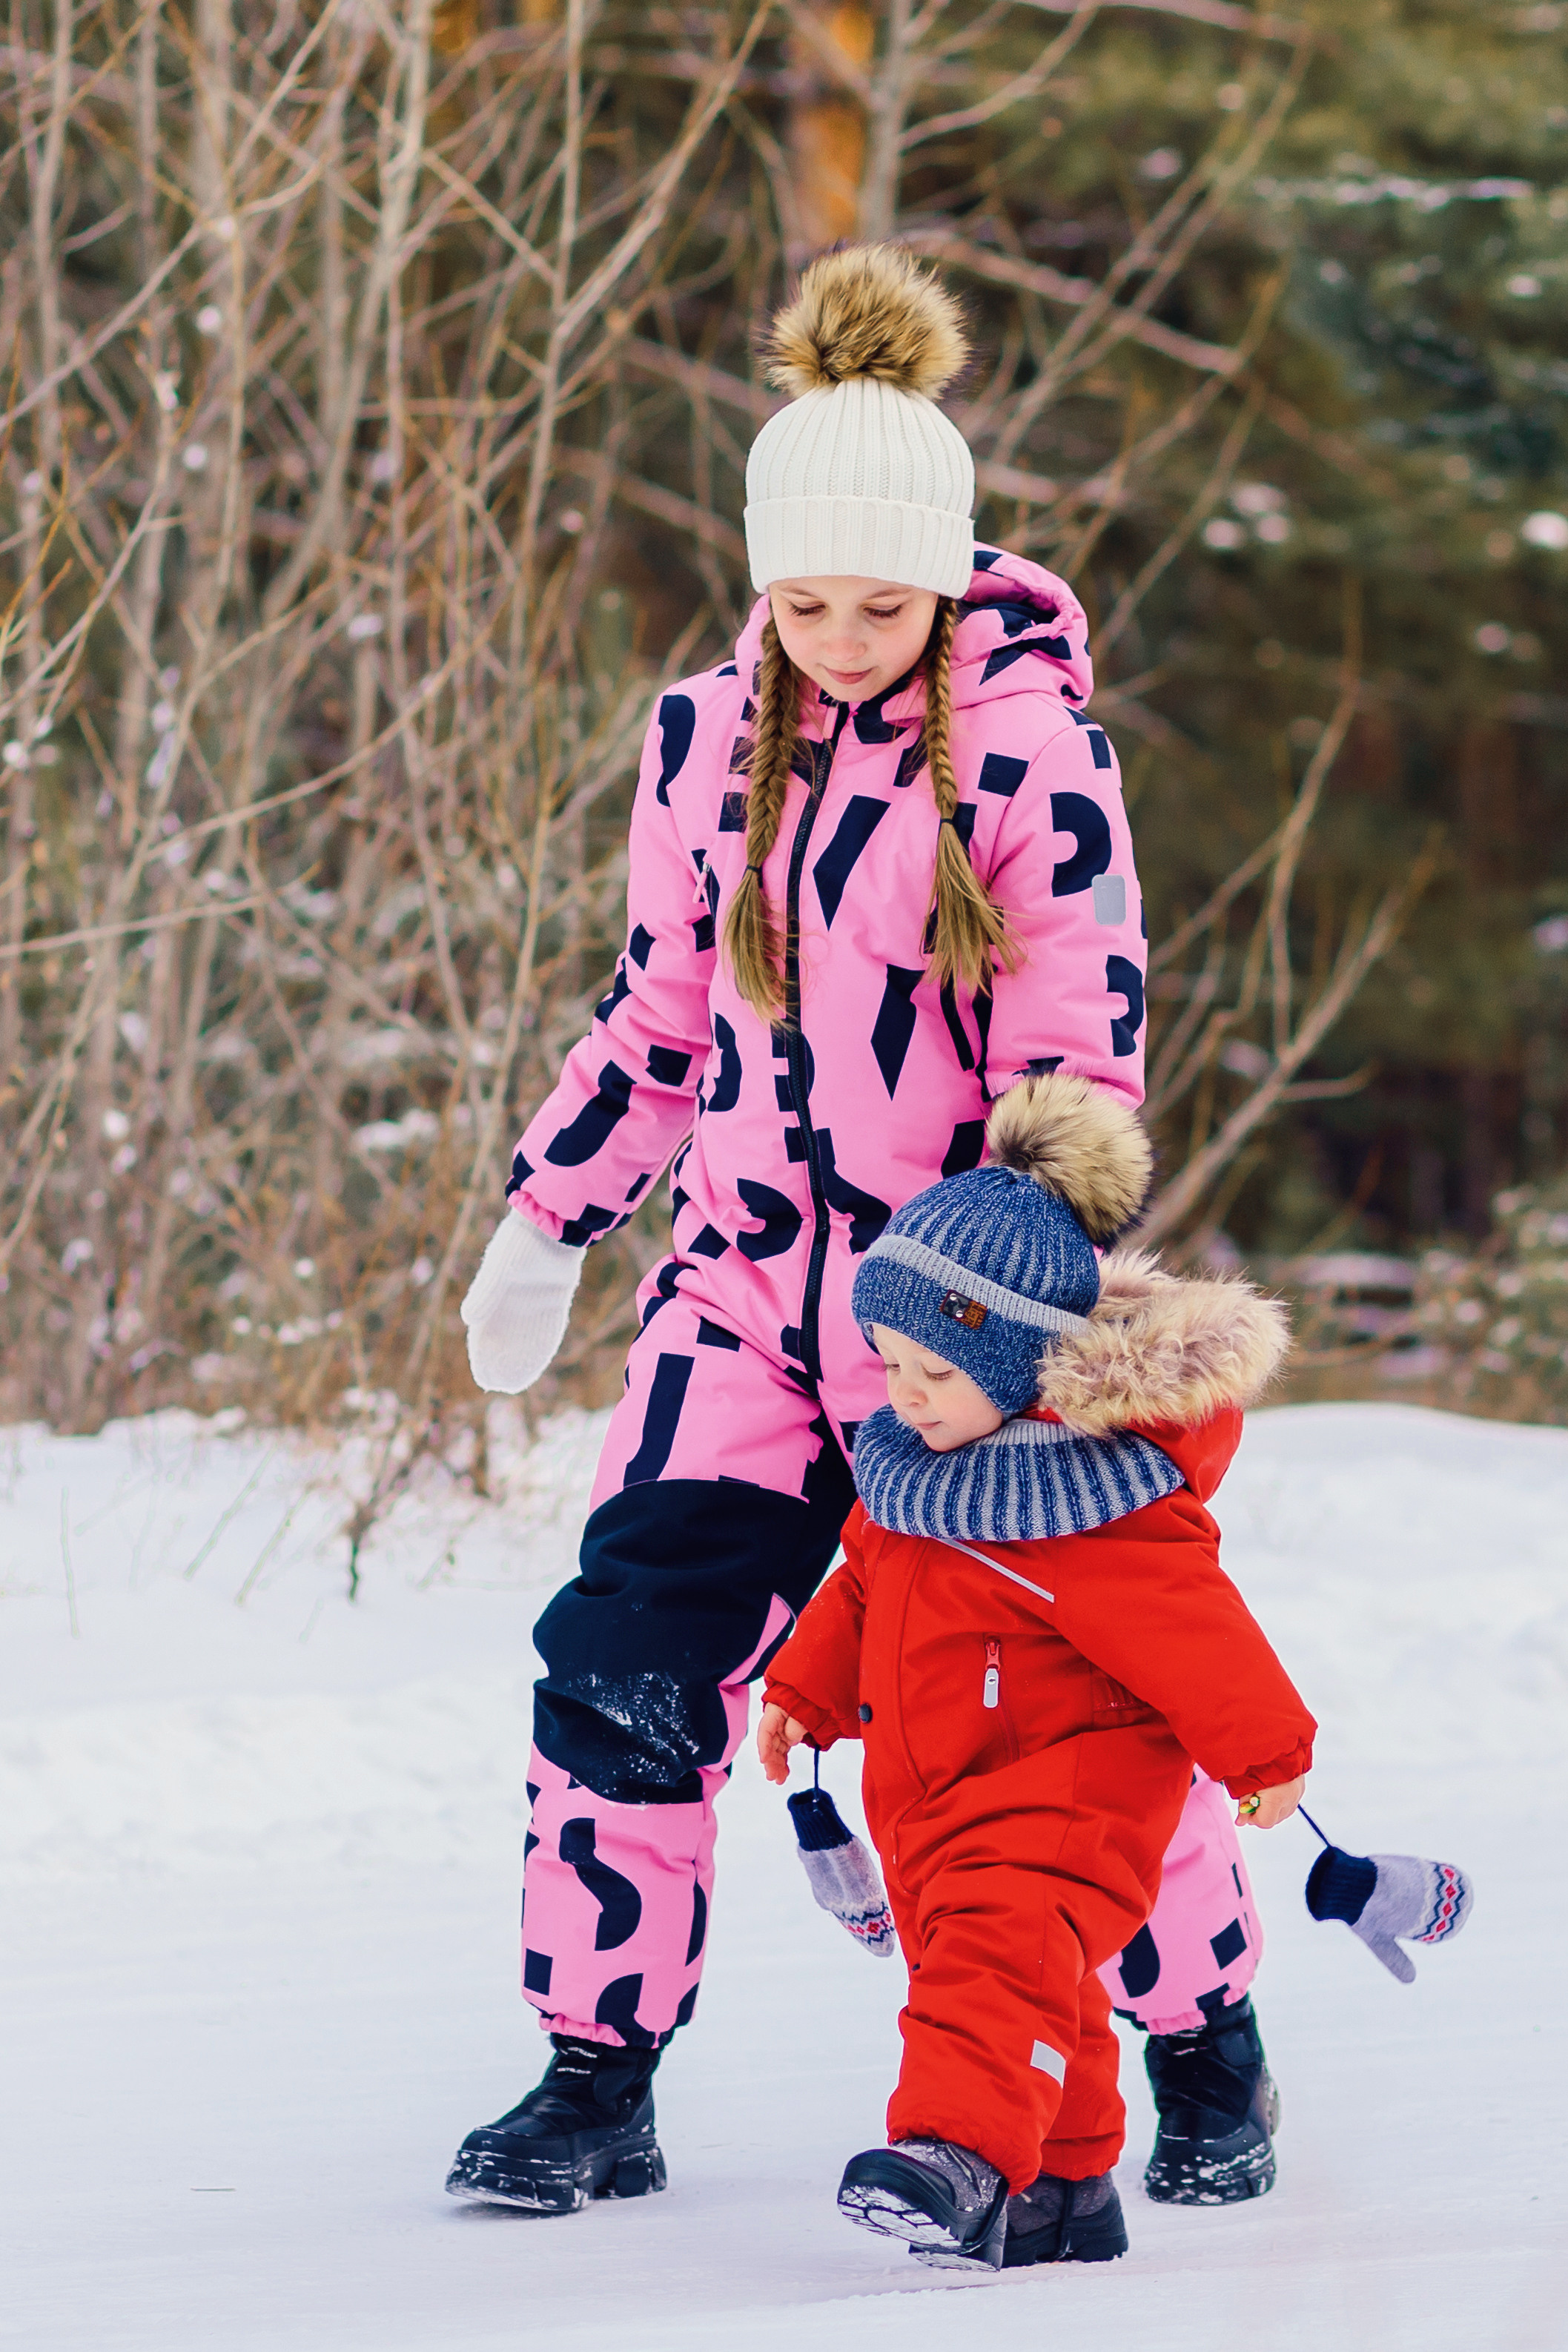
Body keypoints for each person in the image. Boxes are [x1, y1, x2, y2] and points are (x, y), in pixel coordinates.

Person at [446, 242, 1280, 2217]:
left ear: (944, 580)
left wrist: (1003, 1305)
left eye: (879, 604)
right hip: (736, 1302)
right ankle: (593, 2069)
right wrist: (549, 1211)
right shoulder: (696, 742)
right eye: (802, 599)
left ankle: (1199, 2030)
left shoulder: (1032, 756)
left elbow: (1078, 1059)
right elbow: (660, 1013)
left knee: (1057, 1715)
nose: (835, 636)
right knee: (622, 1665)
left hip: (957, 1333)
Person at [757, 1071, 1315, 2269]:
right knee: (1038, 1986)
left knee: (993, 1964)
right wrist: (805, 1691)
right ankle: (1065, 2191)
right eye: (889, 1365)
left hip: (1068, 1793)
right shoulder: (915, 1472)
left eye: (936, 1372)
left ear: (1020, 1363)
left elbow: (1195, 1628)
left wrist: (1267, 1753)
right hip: (937, 1793)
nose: (905, 1396)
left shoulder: (1095, 1502)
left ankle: (954, 2154)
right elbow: (863, 1586)